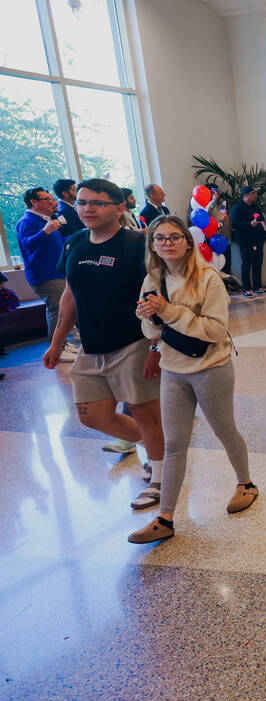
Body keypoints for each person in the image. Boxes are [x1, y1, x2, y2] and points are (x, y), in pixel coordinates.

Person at [128, 216, 258, 544]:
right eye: (160, 238)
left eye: (174, 237)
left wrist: (168, 312)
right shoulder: (151, 280)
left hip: (211, 367)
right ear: (152, 245)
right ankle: (165, 517)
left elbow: (214, 330)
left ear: (188, 242)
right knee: (174, 444)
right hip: (173, 371)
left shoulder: (208, 278)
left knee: (224, 430)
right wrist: (147, 318)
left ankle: (246, 484)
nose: (167, 243)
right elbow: (153, 334)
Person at [41, 178, 166, 511]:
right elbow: (70, 296)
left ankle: (159, 478)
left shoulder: (136, 244)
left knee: (145, 412)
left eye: (96, 203)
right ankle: (153, 447)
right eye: (81, 202)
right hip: (91, 345)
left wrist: (156, 347)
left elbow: (158, 296)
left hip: (133, 342)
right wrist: (56, 343)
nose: (87, 209)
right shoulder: (75, 244)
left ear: (120, 208)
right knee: (91, 415)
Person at [17, 187, 78, 362]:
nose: (52, 202)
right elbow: (27, 245)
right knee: (56, 310)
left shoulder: (47, 219)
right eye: (46, 199)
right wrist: (45, 232)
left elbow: (58, 243)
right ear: (34, 202)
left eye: (51, 199)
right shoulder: (27, 221)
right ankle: (56, 348)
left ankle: (63, 344)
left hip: (56, 271)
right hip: (44, 275)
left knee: (62, 308)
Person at [231, 186, 266, 297]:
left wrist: (265, 226)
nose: (255, 196)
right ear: (246, 195)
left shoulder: (256, 207)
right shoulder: (237, 208)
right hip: (246, 240)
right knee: (247, 264)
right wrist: (249, 224)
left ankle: (258, 287)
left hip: (258, 239)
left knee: (258, 263)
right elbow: (235, 224)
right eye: (253, 194)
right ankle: (246, 289)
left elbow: (261, 219)